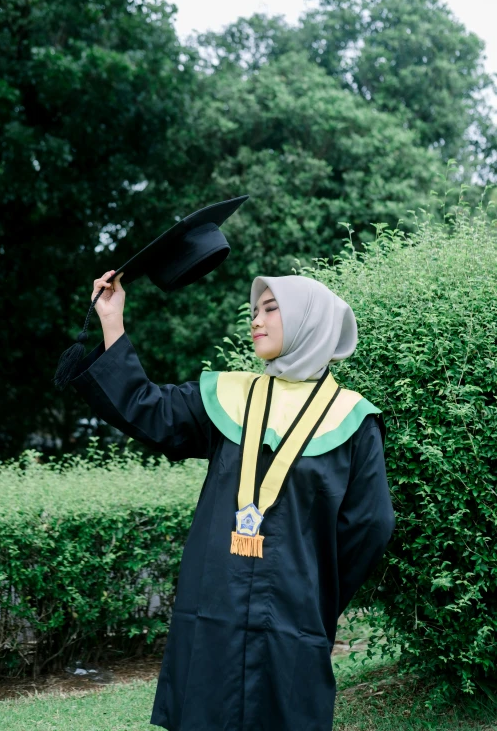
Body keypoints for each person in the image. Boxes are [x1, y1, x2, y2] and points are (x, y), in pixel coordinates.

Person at [69, 268, 396, 731]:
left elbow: (370, 525)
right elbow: (148, 407)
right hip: (213, 603)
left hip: (294, 613)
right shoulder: (228, 395)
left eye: (270, 309)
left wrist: (318, 591)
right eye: (253, 311)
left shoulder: (353, 420)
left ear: (310, 320)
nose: (255, 321)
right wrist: (112, 320)